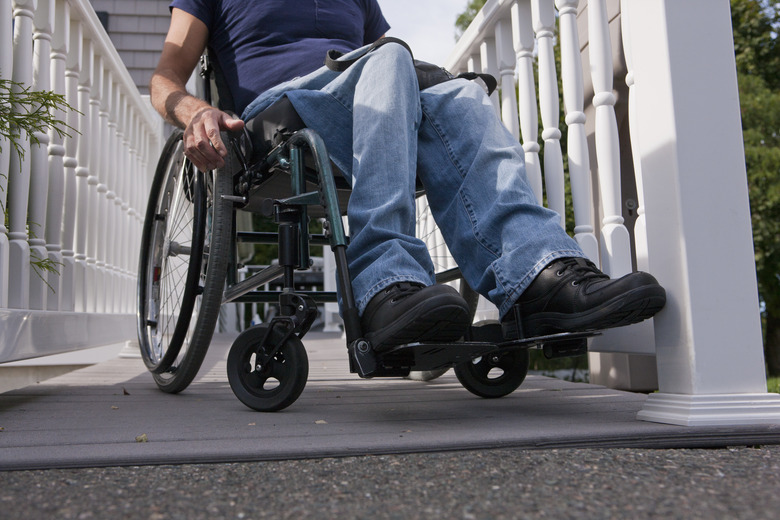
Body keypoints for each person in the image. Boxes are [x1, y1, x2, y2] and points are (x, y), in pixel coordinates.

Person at [150, 0, 666, 352]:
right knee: (391, 56)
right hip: (282, 114)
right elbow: (165, 76)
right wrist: (196, 112)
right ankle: (382, 281)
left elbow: (391, 66)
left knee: (461, 94)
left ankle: (538, 276)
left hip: (373, 99)